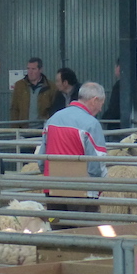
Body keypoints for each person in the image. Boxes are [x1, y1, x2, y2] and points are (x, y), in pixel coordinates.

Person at [37, 82, 109, 215]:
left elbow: (42, 158)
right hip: (81, 190)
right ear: (94, 100)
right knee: (82, 226)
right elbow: (97, 163)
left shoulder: (52, 119)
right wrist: (99, 186)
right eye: (101, 104)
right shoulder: (91, 124)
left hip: (53, 188)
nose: (100, 109)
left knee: (56, 224)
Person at [9, 57, 60, 127]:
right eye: (28, 69)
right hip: (24, 128)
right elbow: (14, 108)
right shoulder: (19, 86)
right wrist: (15, 128)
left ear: (40, 70)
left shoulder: (50, 87)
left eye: (33, 69)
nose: (30, 72)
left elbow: (54, 109)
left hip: (42, 128)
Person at [101, 60, 137, 127]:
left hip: (119, 127)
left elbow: (114, 109)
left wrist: (104, 118)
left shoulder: (120, 86)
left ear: (119, 67)